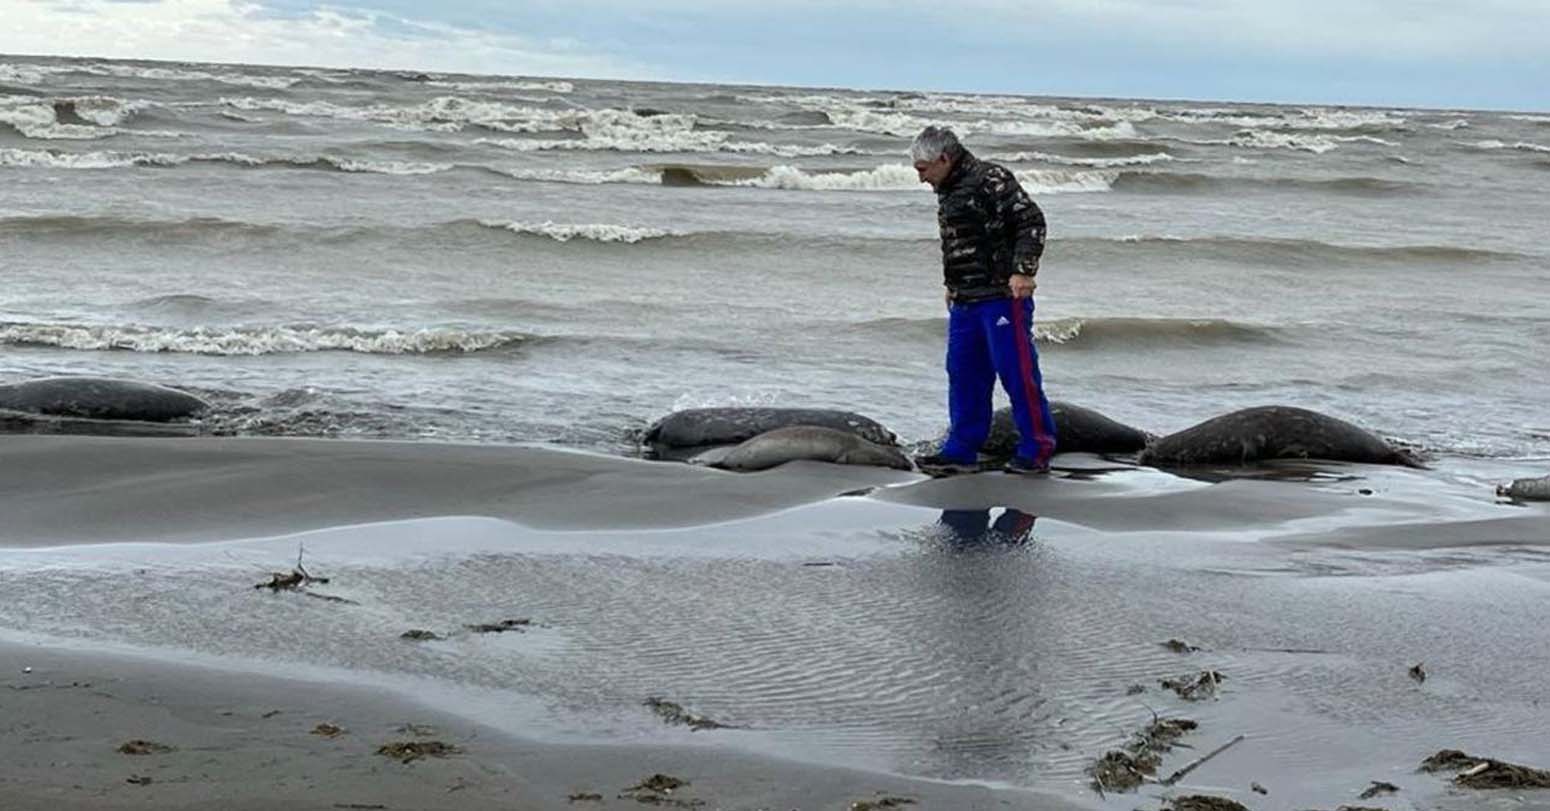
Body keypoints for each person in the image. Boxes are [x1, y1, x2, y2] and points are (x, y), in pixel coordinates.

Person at [910, 126, 1057, 475]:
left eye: (923, 169)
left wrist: (1024, 271)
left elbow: (1031, 221)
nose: (922, 179)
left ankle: (1036, 450)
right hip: (965, 299)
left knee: (1017, 374)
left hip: (1002, 296)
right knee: (963, 374)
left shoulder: (990, 178)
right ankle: (960, 449)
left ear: (944, 159)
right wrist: (952, 284)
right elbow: (960, 243)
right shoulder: (947, 187)